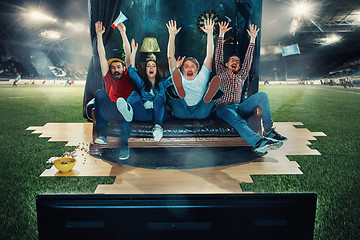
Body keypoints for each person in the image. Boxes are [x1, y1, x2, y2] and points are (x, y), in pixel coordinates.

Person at [214, 21, 287, 154]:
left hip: (238, 106)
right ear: (226, 64)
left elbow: (248, 60)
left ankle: (269, 131)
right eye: (232, 60)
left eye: (237, 61)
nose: (235, 62)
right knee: (239, 121)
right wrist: (221, 34)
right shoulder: (221, 71)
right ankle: (259, 142)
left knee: (262, 96)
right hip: (223, 108)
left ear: (240, 66)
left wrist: (253, 39)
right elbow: (218, 54)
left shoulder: (241, 75)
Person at [94, 20, 135, 160]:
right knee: (100, 93)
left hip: (124, 110)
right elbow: (101, 56)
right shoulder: (108, 77)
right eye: (113, 67)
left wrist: (123, 33)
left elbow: (128, 54)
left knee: (124, 110)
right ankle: (103, 135)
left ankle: (124, 147)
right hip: (111, 108)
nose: (116, 69)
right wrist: (99, 35)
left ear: (124, 68)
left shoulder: (128, 75)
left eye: (118, 66)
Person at [165, 19, 222, 119]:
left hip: (200, 111)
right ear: (182, 70)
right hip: (181, 111)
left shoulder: (202, 77)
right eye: (186, 67)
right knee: (175, 84)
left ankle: (208, 96)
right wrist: (172, 35)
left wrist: (209, 34)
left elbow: (209, 56)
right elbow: (170, 57)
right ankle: (179, 93)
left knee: (205, 102)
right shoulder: (179, 76)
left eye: (192, 66)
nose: (189, 69)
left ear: (197, 69)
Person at [127, 39, 171, 141]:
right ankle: (128, 111)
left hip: (159, 115)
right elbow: (132, 72)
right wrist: (133, 52)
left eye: (153, 66)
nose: (151, 68)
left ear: (157, 69)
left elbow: (174, 78)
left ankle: (158, 128)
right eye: (148, 66)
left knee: (158, 98)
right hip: (144, 114)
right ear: (145, 69)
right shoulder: (142, 84)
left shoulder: (162, 83)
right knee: (134, 94)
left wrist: (175, 67)